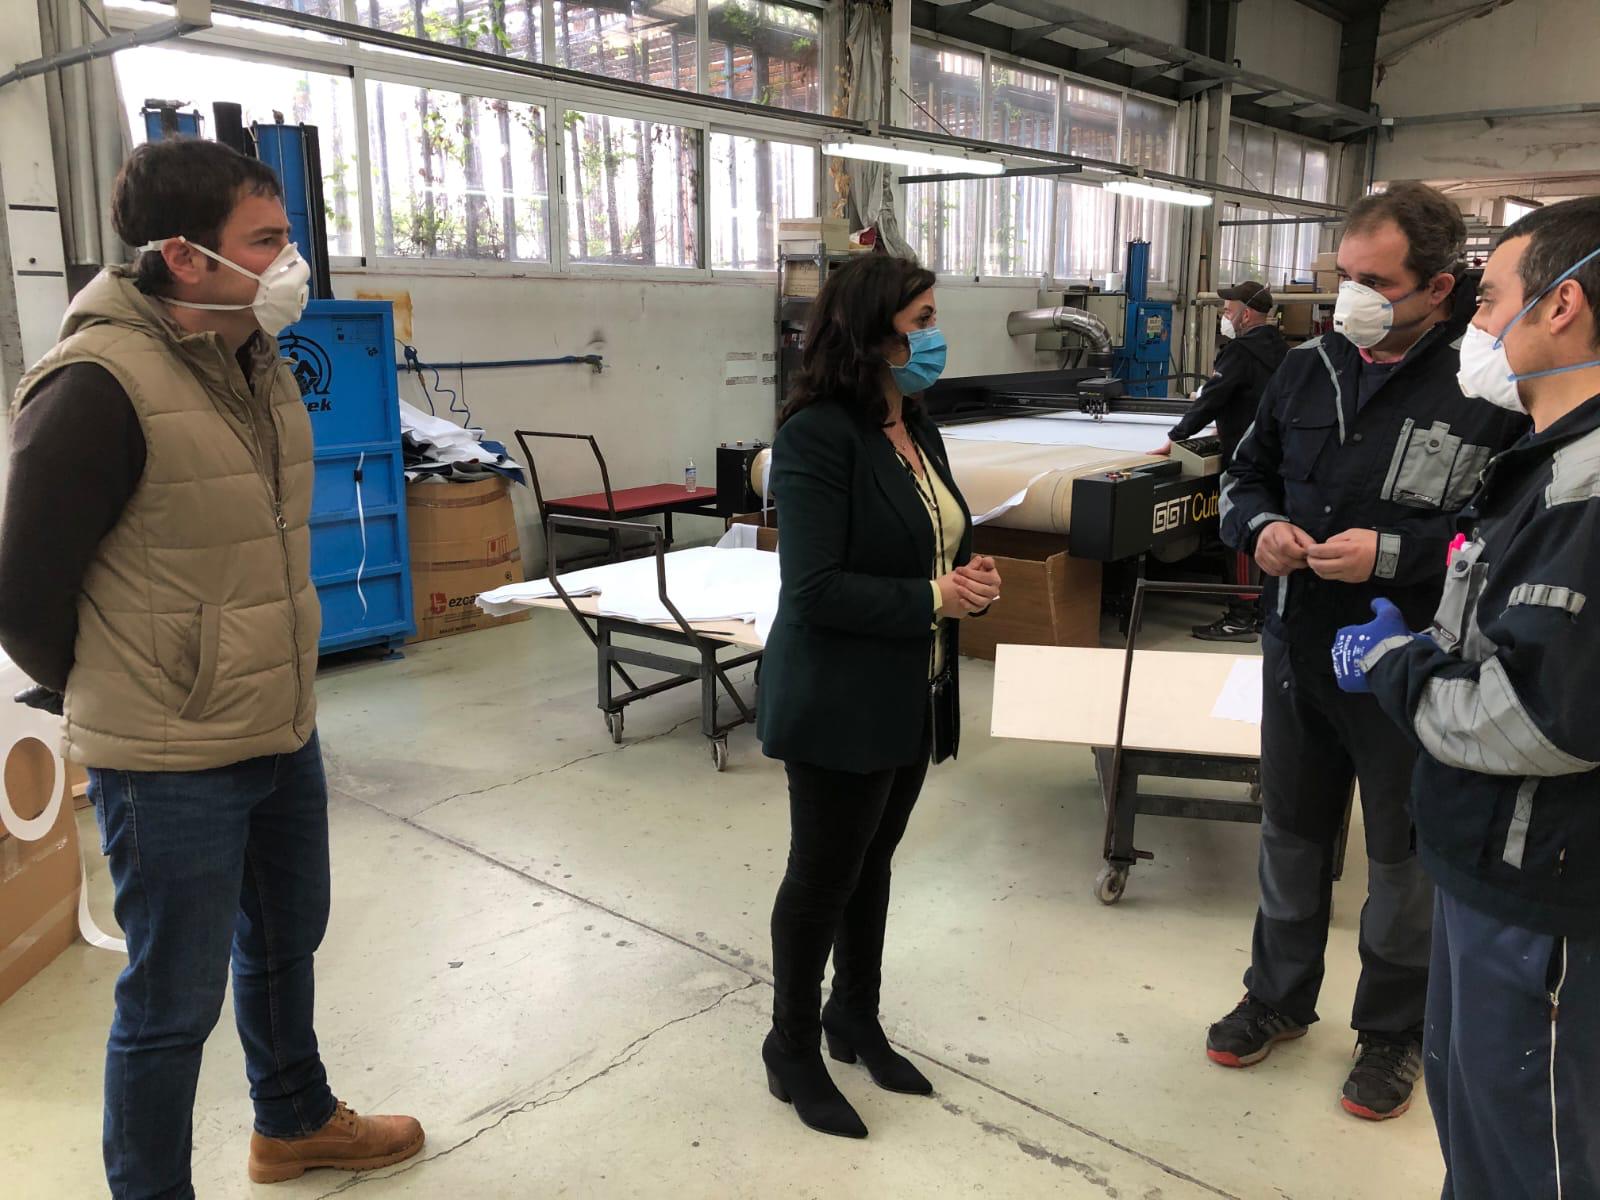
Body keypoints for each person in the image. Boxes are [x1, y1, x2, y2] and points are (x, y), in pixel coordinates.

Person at [0, 139, 423, 1196]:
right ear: (186, 257)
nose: (292, 262)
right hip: (168, 751)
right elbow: (22, 593)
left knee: (286, 937)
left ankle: (293, 1122)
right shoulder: (96, 386)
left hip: (278, 719)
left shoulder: (254, 359)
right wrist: (133, 685)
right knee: (171, 1001)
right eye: (267, 241)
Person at [1208, 182, 1527, 1121]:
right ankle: (1276, 996)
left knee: (1401, 857)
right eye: (1345, 276)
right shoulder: (1307, 369)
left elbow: (1503, 535)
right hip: (1298, 646)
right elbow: (1244, 473)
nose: (1352, 297)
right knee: (1291, 834)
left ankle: (1392, 1031)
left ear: (1440, 287)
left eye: (1376, 283)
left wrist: (1392, 555)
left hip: (1409, 663)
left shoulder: (1489, 388)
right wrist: (1259, 525)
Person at [1334, 197, 1600, 1196]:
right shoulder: (1545, 459)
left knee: (1531, 1148)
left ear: (1560, 305)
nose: (1478, 326)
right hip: (1488, 853)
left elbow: (1537, 716)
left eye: (1489, 300)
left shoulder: (1587, 493)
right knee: (1479, 1125)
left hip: (1541, 880)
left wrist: (1396, 665)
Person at [756, 255, 1001, 1138]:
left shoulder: (916, 425)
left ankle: (854, 1016)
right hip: (838, 699)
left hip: (910, 689)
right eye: (922, 319)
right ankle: (790, 1045)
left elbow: (933, 539)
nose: (935, 335)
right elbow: (813, 588)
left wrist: (966, 578)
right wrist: (936, 596)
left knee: (873, 863)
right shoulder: (817, 436)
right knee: (822, 878)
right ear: (872, 331)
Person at [1153, 280, 1288, 642]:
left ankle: (1240, 616)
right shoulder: (1282, 349)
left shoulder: (1240, 351)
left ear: (1247, 314)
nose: (1225, 317)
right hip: (1280, 456)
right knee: (1271, 530)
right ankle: (1262, 611)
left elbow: (1211, 398)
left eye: (1229, 311)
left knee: (1242, 532)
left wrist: (1176, 436)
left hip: (1248, 458)